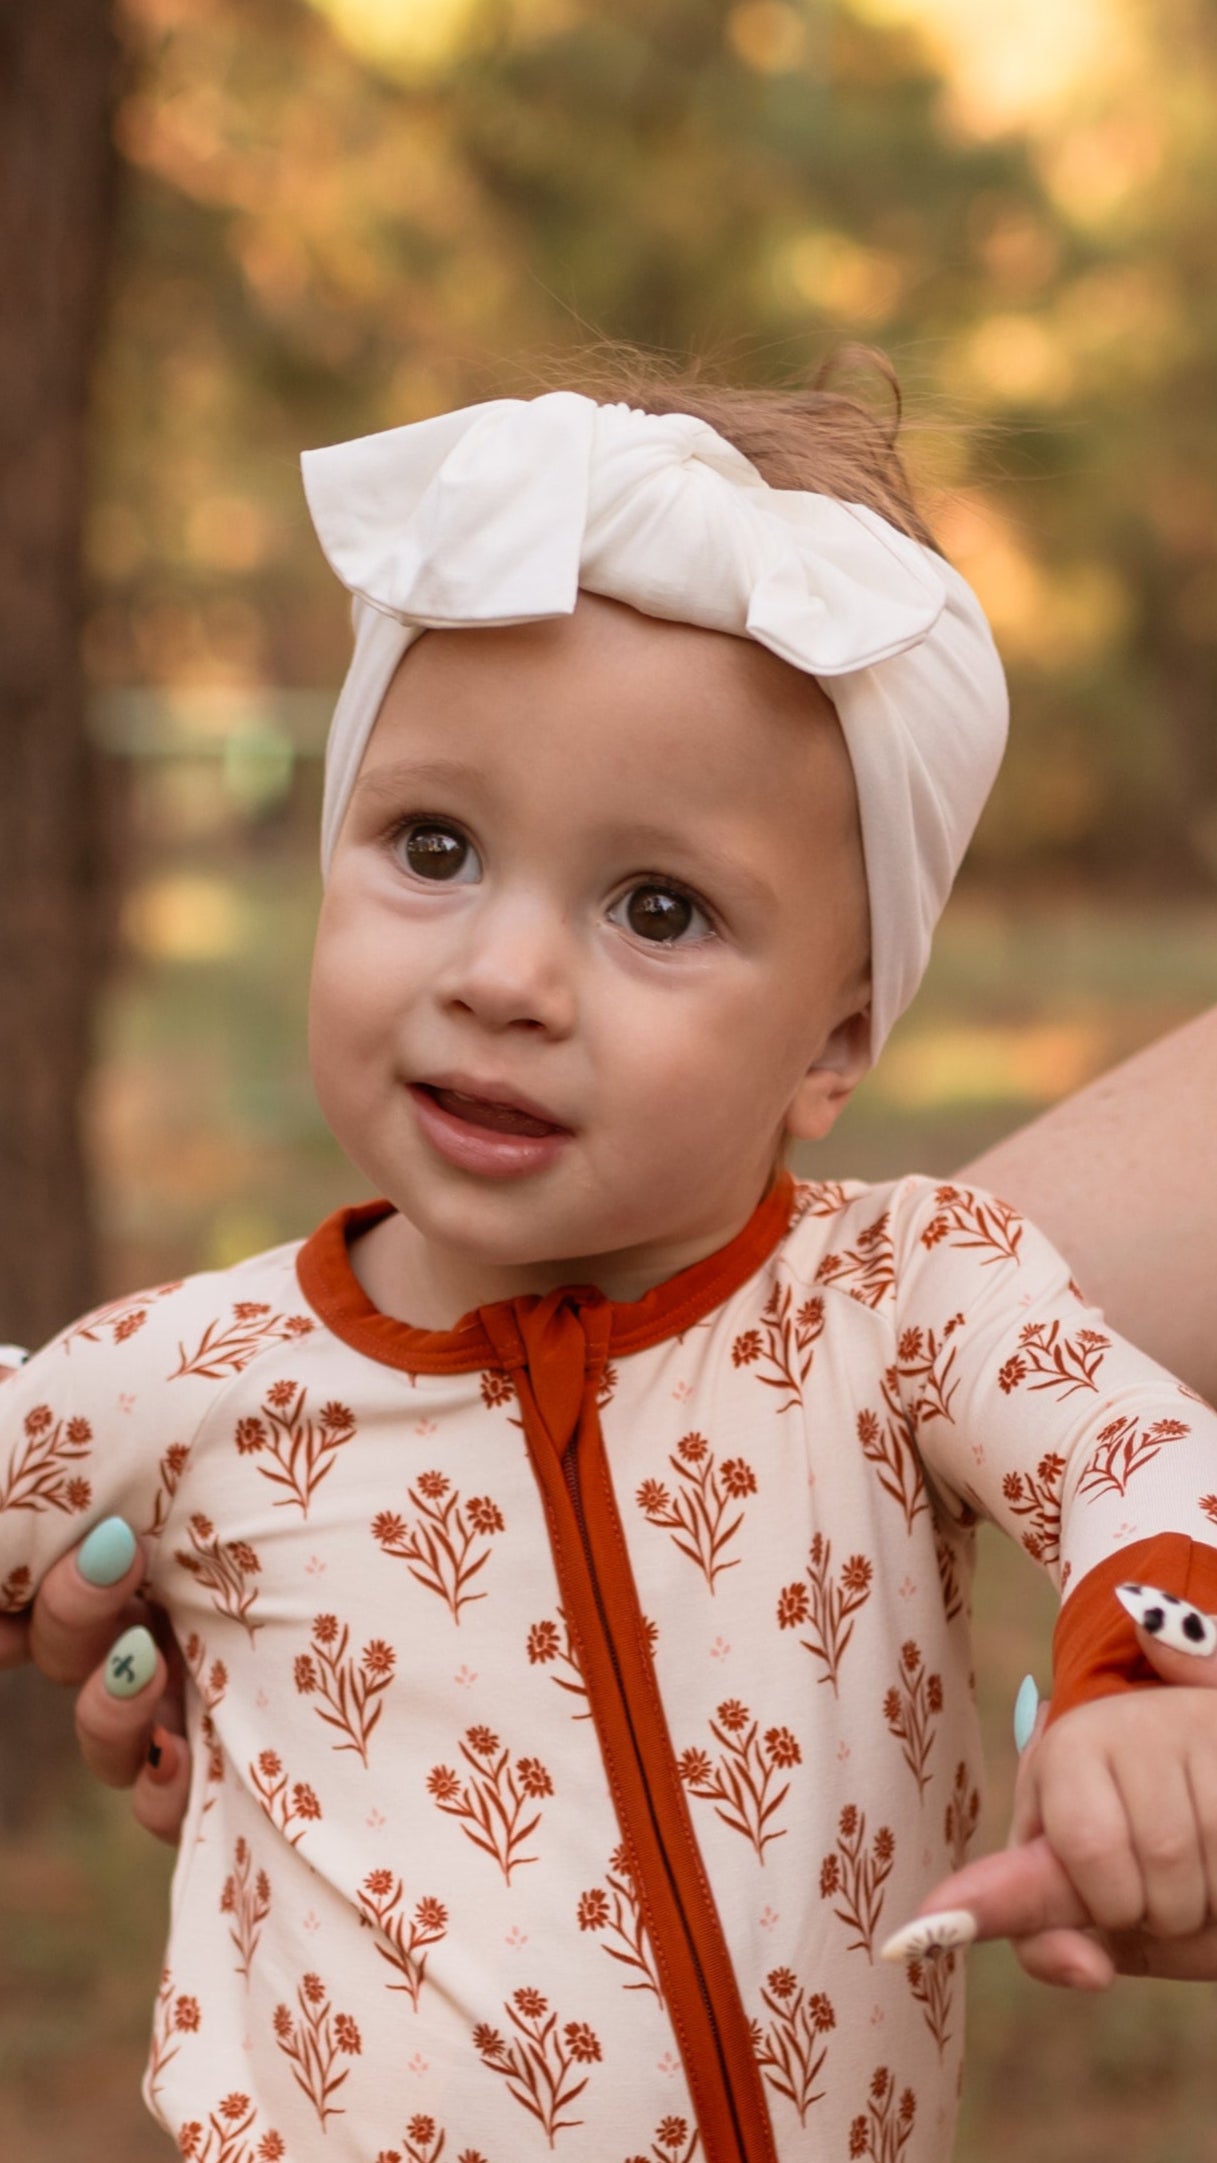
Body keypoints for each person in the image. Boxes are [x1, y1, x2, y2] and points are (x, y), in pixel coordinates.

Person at [4, 374, 1217, 2163]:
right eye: (432, 848)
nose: (503, 976)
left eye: (657, 908)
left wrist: (1151, 1692)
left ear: (834, 1042)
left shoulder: (913, 1302)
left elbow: (1145, 1462)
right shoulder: (188, 1378)